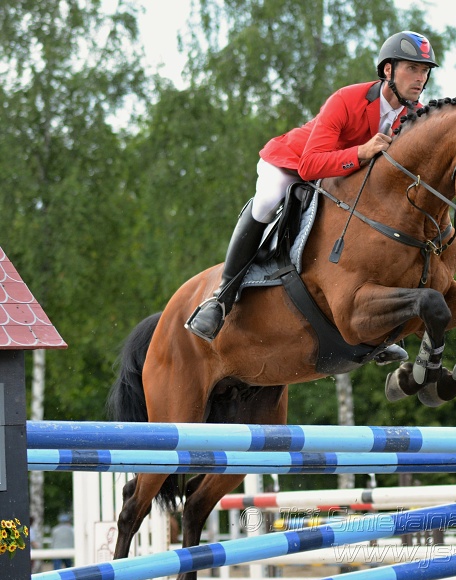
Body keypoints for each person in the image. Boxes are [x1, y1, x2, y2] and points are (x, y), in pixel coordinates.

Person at [185, 31, 439, 348]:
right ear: (388, 70)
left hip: (342, 181)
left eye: (425, 71)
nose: (420, 78)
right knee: (267, 200)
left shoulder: (416, 116)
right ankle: (222, 297)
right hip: (292, 163)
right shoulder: (347, 99)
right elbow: (309, 166)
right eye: (412, 69)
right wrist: (361, 152)